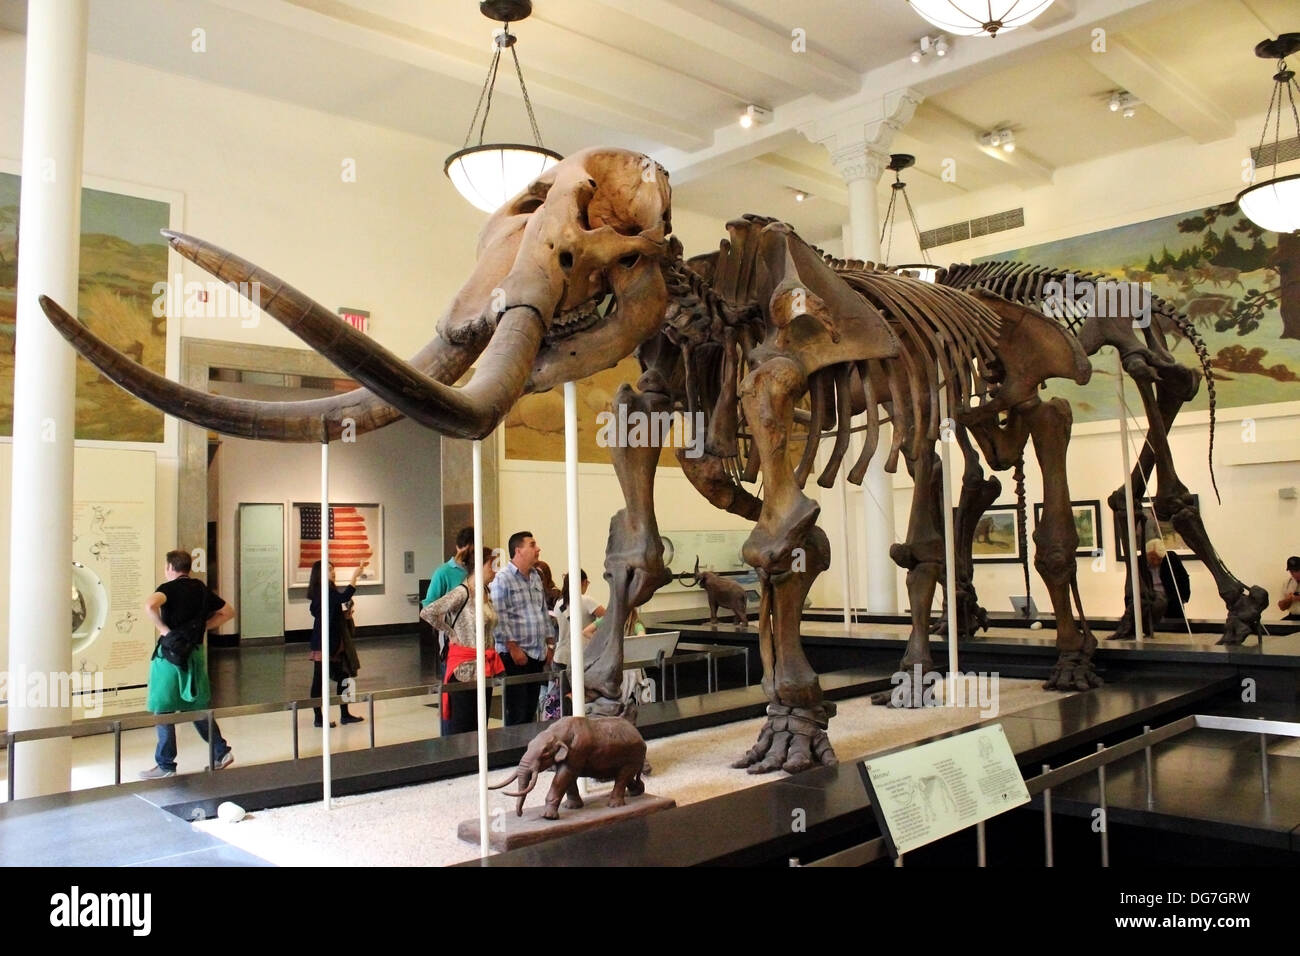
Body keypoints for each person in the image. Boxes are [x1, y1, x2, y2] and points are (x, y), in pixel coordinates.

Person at [139, 549, 236, 779]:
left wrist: (165, 631)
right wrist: (205, 627)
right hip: (195, 654)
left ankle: (165, 764)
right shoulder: (201, 589)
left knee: (163, 708)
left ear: (170, 568)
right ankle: (220, 751)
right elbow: (228, 612)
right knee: (197, 707)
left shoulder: (168, 588)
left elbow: (149, 605)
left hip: (170, 657)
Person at [423, 547, 503, 736]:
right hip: (465, 670)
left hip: (484, 668)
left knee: (480, 724)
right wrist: (450, 632)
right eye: (492, 565)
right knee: (464, 725)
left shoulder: (485, 592)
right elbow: (428, 611)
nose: (495, 570)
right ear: (480, 565)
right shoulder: (462, 592)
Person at [490, 531, 555, 725]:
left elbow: (542, 612)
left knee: (529, 710)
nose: (538, 549)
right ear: (518, 550)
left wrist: (549, 645)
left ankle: (529, 750)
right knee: (516, 711)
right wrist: (512, 647)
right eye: (532, 545)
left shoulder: (535, 576)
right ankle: (514, 752)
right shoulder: (503, 579)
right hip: (515, 656)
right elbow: (498, 617)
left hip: (536, 653)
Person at [308, 558, 367, 727]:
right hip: (325, 643)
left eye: (332, 569)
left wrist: (344, 615)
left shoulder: (324, 592)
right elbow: (344, 597)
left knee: (343, 676)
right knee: (320, 680)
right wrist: (355, 576)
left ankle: (344, 714)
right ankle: (319, 717)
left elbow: (327, 612)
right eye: (328, 569)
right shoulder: (324, 591)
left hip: (331, 642)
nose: (332, 572)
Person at [1145, 537, 1190, 630]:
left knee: (1176, 628)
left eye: (1159, 559)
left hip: (1170, 598)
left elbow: (1184, 578)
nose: (1156, 562)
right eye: (1153, 558)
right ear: (1147, 554)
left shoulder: (1171, 558)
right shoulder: (1140, 562)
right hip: (1151, 600)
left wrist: (1183, 597)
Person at [1278, 556, 1300, 621]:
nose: (1294, 574)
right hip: (1293, 616)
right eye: (1291, 571)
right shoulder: (1287, 583)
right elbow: (1282, 607)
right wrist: (1289, 599)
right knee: (1276, 628)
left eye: (1296, 570)